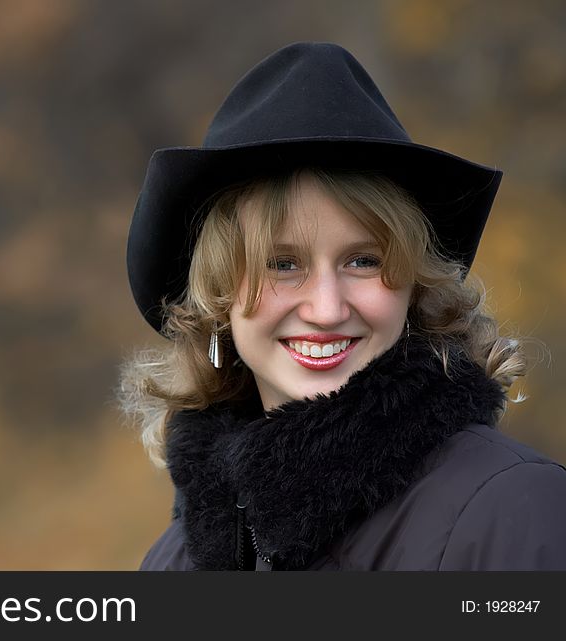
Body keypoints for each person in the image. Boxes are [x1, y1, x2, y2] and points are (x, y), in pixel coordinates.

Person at [120, 41, 566, 570]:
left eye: (363, 261)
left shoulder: (510, 509)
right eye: (282, 264)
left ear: (415, 287)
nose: (327, 309)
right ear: (217, 299)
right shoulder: (172, 562)